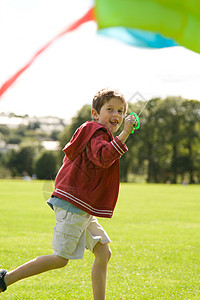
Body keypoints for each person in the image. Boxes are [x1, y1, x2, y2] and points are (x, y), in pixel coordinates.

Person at [0, 88, 137, 300]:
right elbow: (103, 157)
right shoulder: (95, 132)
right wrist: (125, 133)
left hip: (81, 207)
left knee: (103, 253)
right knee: (60, 259)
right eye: (110, 109)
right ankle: (4, 279)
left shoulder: (98, 133)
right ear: (95, 113)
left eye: (120, 111)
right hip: (73, 207)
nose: (116, 115)